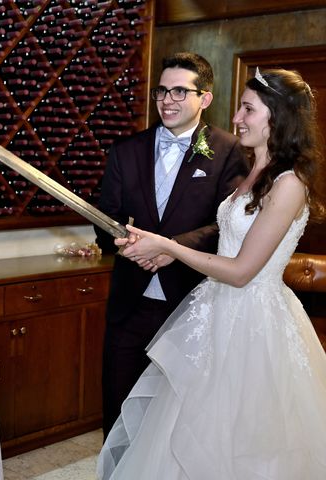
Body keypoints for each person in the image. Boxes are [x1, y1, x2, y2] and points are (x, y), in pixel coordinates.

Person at [97, 68, 326, 479]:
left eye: (247, 109)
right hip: (212, 312)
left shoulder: (290, 184)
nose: (236, 117)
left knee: (240, 438)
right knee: (179, 425)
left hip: (253, 324)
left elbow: (240, 271)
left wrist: (167, 246)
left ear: (279, 117)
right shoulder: (254, 169)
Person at [94, 52, 248, 439]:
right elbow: (104, 222)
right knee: (119, 409)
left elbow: (226, 224)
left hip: (191, 302)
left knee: (181, 419)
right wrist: (126, 242)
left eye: (181, 91)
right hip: (129, 305)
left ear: (205, 99)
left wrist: (169, 248)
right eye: (162, 91)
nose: (168, 100)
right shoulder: (125, 150)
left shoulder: (229, 151)